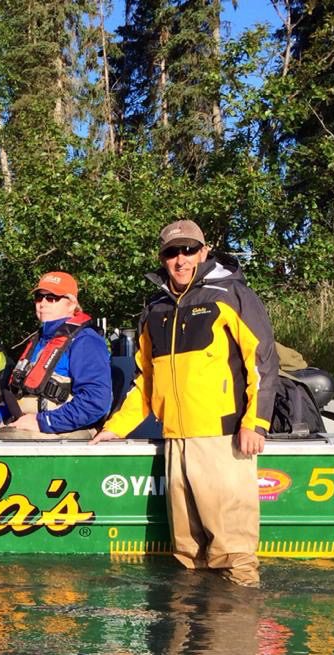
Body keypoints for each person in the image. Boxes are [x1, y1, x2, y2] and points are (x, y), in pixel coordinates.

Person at [90, 220, 278, 587]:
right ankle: (193, 632)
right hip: (176, 438)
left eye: (189, 250)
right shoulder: (155, 308)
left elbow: (263, 362)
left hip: (223, 440)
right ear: (162, 258)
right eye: (172, 252)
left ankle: (236, 635)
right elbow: (144, 379)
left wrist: (256, 422)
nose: (181, 259)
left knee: (233, 552)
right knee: (187, 551)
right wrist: (115, 427)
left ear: (204, 252)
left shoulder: (231, 294)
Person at [0, 271, 112, 439]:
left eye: (52, 298)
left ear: (71, 303)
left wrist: (42, 422)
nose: (43, 303)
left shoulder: (86, 341)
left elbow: (96, 402)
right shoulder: (39, 340)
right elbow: (21, 394)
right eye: (39, 297)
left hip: (64, 429)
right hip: (27, 423)